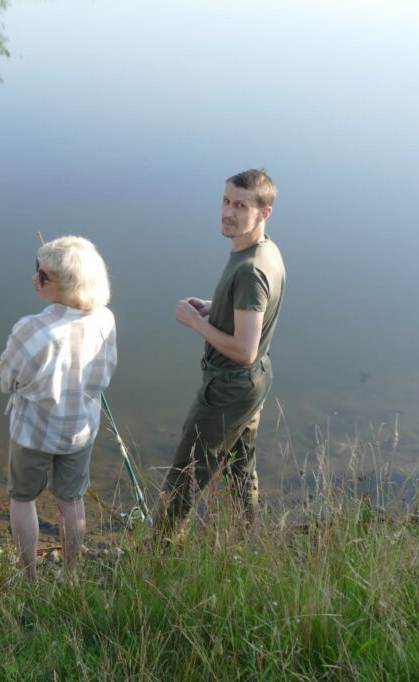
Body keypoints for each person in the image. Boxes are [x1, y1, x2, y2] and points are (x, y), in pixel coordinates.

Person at [158, 169, 285, 539]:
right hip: (255, 382)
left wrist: (195, 323)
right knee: (239, 467)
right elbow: (252, 316)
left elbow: (244, 350)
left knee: (186, 475)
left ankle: (155, 560)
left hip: (230, 387)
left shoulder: (250, 270)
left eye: (241, 205)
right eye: (226, 201)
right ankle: (246, 540)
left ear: (264, 213)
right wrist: (215, 308)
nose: (228, 212)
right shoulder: (266, 250)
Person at [0, 236, 117, 579]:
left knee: (22, 498)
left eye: (44, 276)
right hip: (80, 431)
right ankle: (72, 573)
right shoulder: (105, 319)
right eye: (38, 270)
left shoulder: (32, 329)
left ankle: (29, 577)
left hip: (32, 432)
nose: (34, 279)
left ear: (67, 285)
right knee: (71, 500)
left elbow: (8, 379)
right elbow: (105, 372)